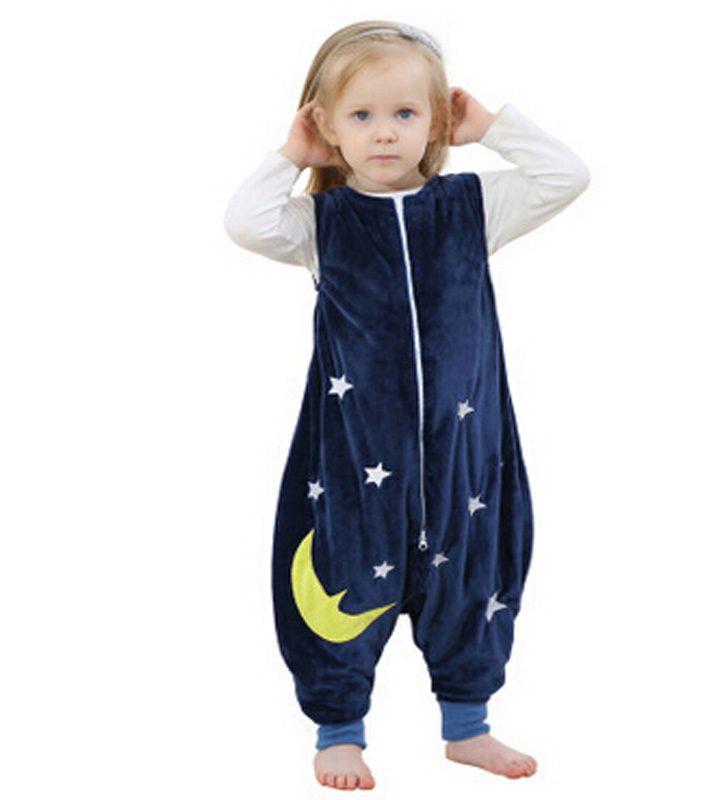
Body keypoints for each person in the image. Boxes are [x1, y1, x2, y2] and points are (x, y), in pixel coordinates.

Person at [224, 20, 590, 791]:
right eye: (360, 116)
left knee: (472, 578)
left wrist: (492, 128)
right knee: (341, 576)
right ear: (328, 127)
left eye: (404, 113)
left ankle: (467, 726)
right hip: (358, 460)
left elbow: (567, 176)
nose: (385, 132)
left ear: (437, 122)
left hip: (463, 457)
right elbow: (244, 222)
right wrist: (293, 156)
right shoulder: (322, 224)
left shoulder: (470, 207)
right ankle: (338, 731)